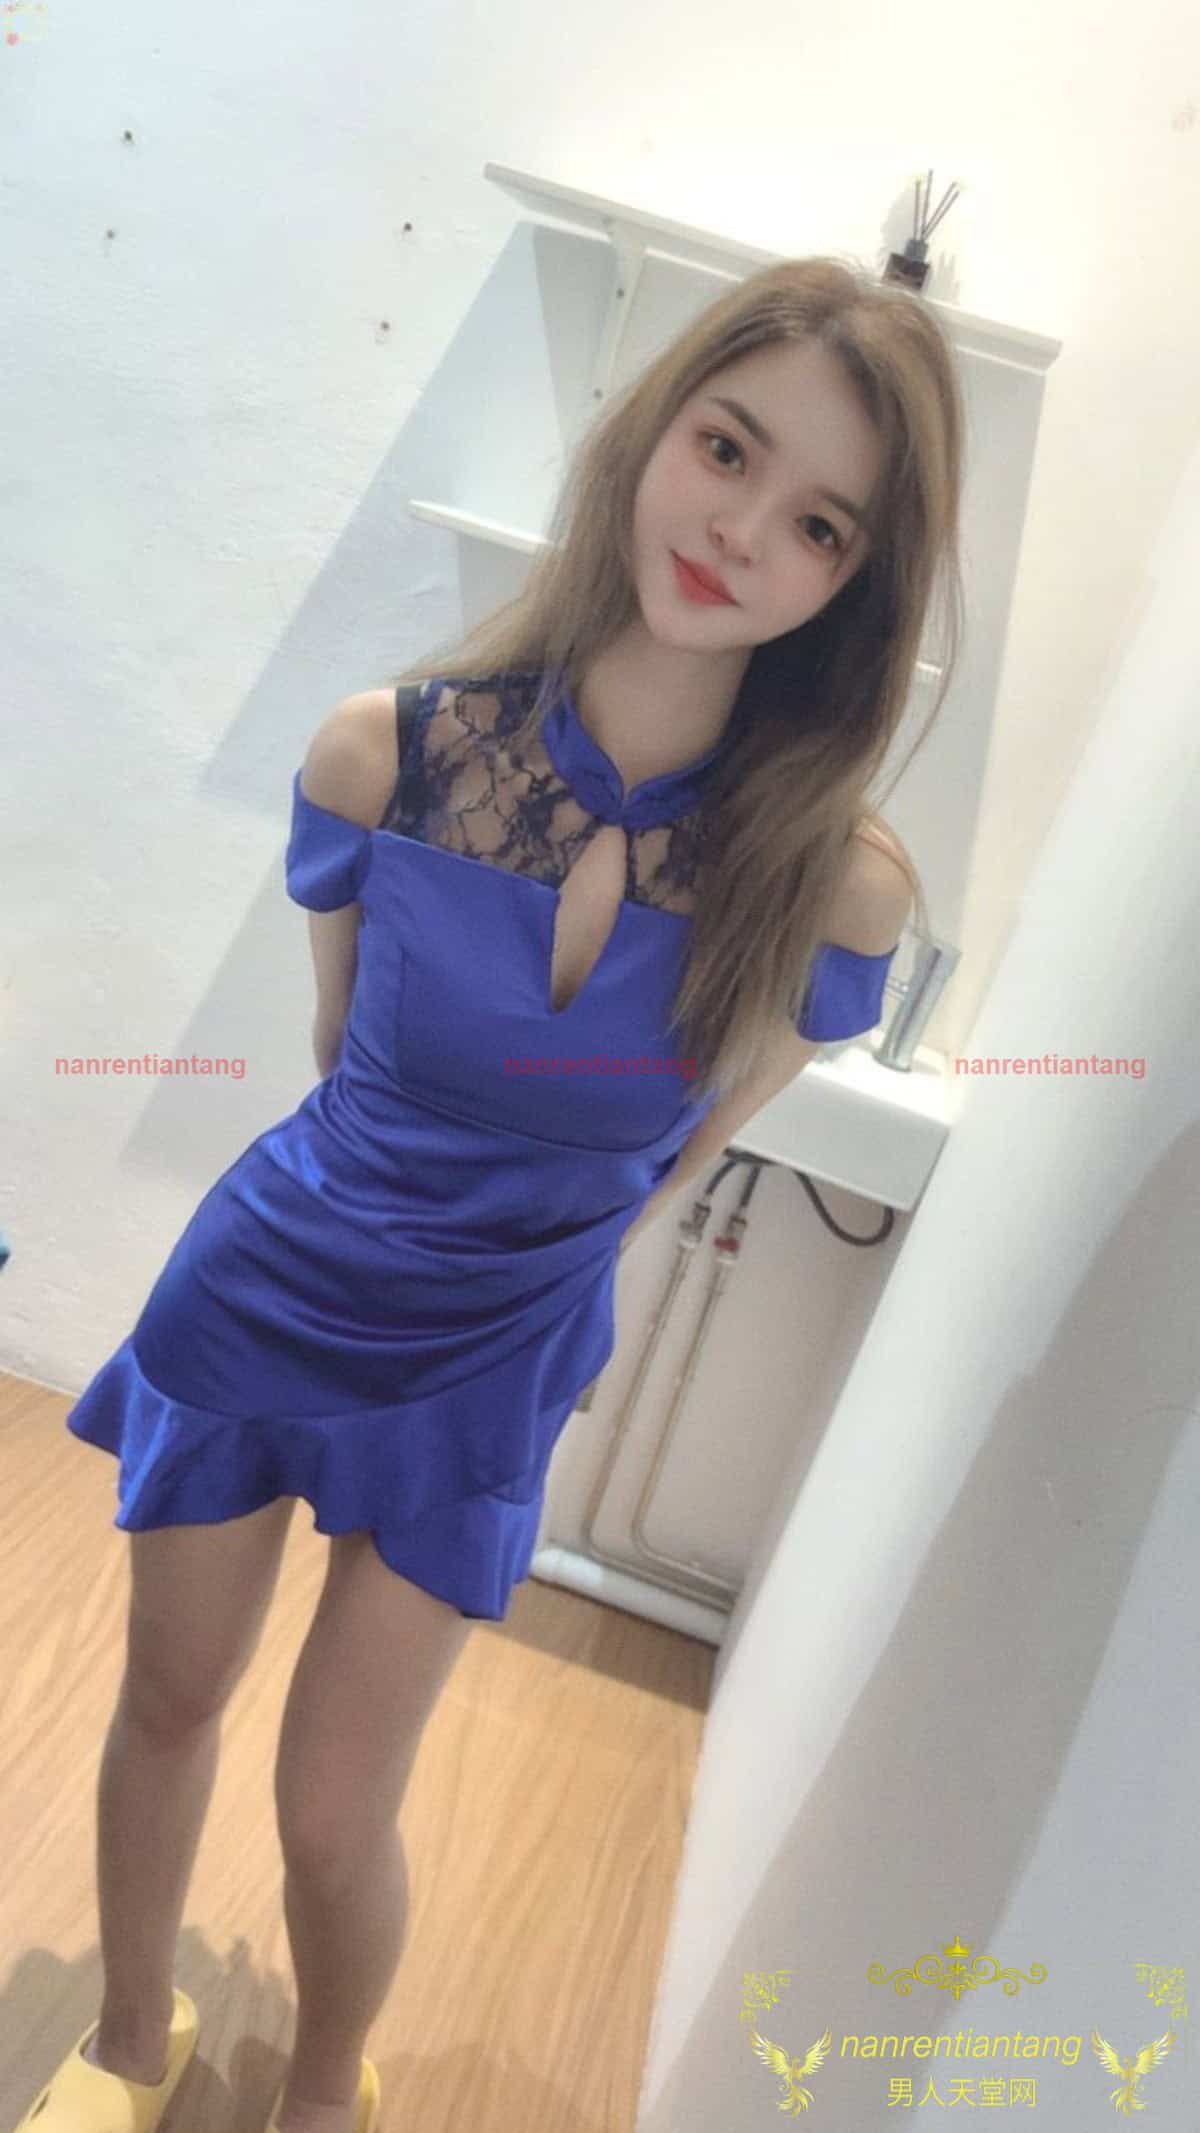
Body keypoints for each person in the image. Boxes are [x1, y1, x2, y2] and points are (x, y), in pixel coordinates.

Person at [26, 255, 965, 2133]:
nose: (741, 529)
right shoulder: (381, 752)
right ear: (649, 432)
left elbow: (684, 1150)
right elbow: (340, 1055)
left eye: (819, 521)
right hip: (266, 1287)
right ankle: (131, 2040)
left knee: (334, 1808)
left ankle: (320, 2094)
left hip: (490, 1355)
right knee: (166, 1701)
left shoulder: (831, 884)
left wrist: (543, 1264)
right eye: (727, 447)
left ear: (854, 586)